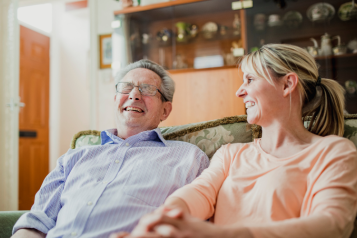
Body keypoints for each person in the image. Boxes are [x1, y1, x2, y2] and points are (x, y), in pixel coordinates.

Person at [114, 44, 357, 238]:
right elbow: (199, 193)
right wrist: (165, 219)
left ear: (287, 84)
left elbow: (332, 225)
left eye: (250, 80)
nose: (239, 91)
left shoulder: (333, 151)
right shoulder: (231, 153)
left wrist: (216, 234)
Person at [12, 59, 209, 238]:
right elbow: (36, 222)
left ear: (165, 110)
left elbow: (199, 227)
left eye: (147, 89)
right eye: (126, 87)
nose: (134, 95)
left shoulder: (189, 158)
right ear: (116, 100)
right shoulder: (74, 157)